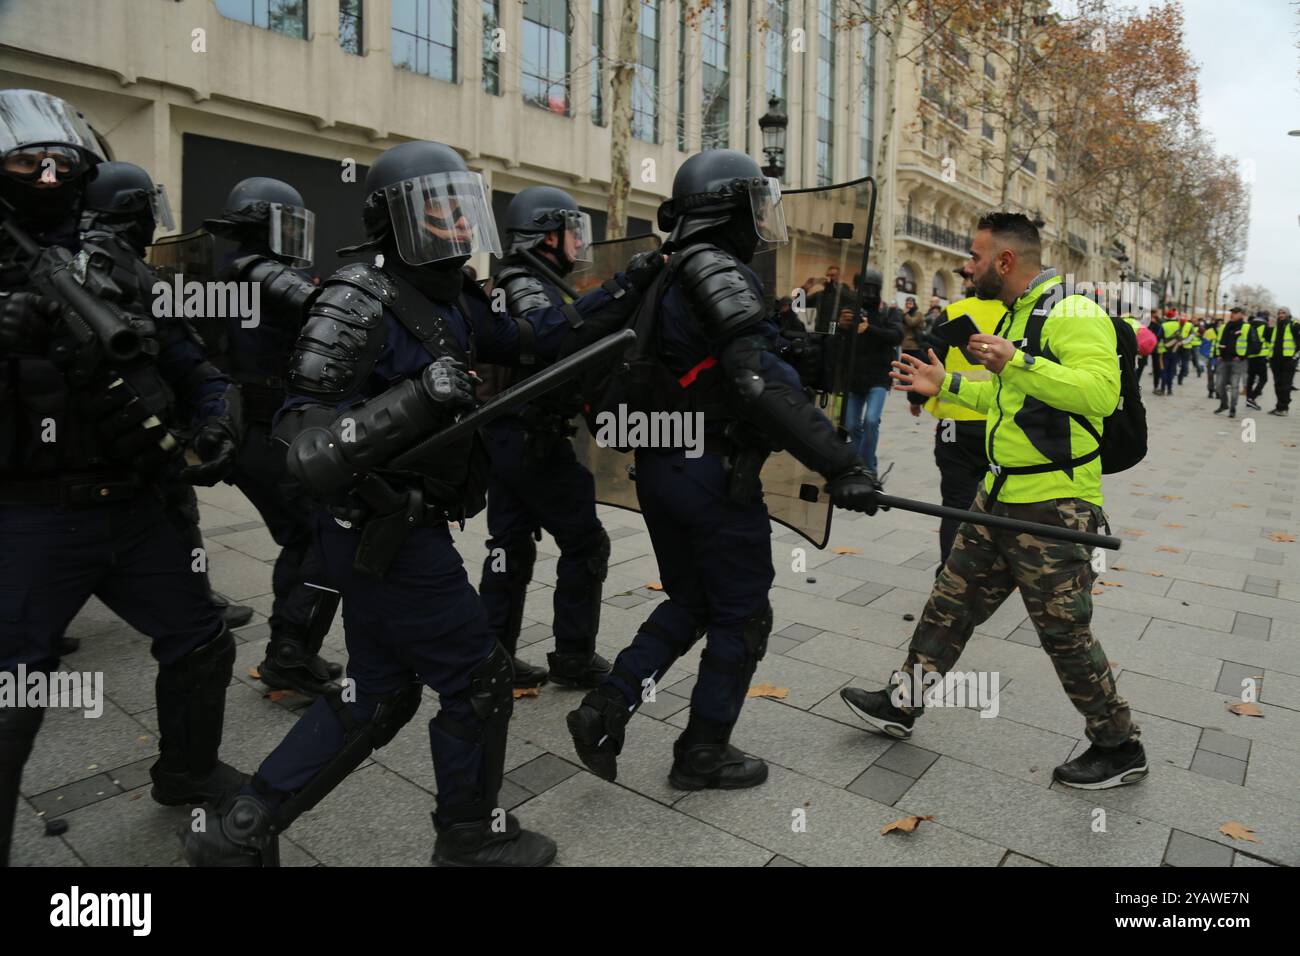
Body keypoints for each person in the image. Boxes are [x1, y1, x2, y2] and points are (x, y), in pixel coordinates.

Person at [181, 139, 662, 867]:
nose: (453, 222)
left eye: (458, 206)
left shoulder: (456, 296)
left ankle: (243, 830)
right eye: (434, 208)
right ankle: (468, 837)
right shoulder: (353, 297)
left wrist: (634, 280)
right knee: (478, 678)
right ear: (392, 217)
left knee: (378, 693)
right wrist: (414, 400)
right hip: (381, 528)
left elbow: (536, 337)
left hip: (408, 525)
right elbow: (305, 446)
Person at [566, 148, 882, 791]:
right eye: (754, 204)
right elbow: (755, 380)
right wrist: (843, 464)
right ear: (727, 208)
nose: (761, 218)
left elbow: (745, 358)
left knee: (694, 600)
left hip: (663, 466)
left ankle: (606, 708)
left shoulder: (670, 269)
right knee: (742, 614)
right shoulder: (716, 266)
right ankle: (703, 754)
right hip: (710, 474)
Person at [0, 89, 245, 865]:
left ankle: (188, 771)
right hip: (30, 515)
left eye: (60, 161)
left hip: (137, 504)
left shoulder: (115, 264)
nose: (46, 176)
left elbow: (188, 360)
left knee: (201, 641)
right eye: (24, 160)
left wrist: (217, 414)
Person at [839, 212, 1147, 790]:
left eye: (975, 257)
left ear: (1004, 262)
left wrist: (1017, 361)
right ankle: (900, 704)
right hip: (997, 496)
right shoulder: (1019, 314)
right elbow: (1015, 404)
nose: (966, 266)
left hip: (1055, 508)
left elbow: (1100, 395)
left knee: (1065, 634)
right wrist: (949, 386)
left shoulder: (1073, 312)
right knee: (949, 601)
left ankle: (1119, 745)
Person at [79, 161, 256, 632]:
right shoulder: (122, 268)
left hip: (79, 454)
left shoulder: (87, 259)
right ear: (130, 210)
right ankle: (196, 595)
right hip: (131, 439)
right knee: (178, 515)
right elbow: (186, 357)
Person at [202, 178, 344, 697]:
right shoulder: (262, 273)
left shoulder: (229, 274)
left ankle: (292, 649)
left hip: (252, 432)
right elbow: (330, 312)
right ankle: (289, 654)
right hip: (266, 431)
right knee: (318, 538)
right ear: (267, 226)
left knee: (303, 536)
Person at [476, 186, 613, 689]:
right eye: (571, 231)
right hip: (531, 437)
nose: (577, 242)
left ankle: (493, 657)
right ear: (546, 234)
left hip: (505, 434)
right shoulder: (527, 283)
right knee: (586, 543)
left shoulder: (508, 278)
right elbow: (550, 333)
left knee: (508, 546)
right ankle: (574, 656)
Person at [924, 281, 1005, 567]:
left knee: (956, 503)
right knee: (996, 504)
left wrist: (915, 397)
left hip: (955, 421)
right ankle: (986, 570)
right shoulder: (1017, 314)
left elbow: (930, 358)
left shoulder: (953, 311)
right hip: (1000, 424)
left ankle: (949, 571)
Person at [829, 269, 902, 471]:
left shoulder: (888, 311)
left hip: (878, 378)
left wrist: (870, 329)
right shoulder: (849, 311)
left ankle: (867, 470)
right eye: (864, 288)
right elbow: (834, 341)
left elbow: (897, 335)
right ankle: (863, 462)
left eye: (873, 288)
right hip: (853, 379)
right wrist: (841, 326)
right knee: (851, 425)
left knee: (871, 421)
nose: (868, 293)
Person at [1213, 307, 1249, 418]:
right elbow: (1218, 341)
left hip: (1237, 361)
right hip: (1223, 360)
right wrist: (1218, 355)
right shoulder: (1224, 326)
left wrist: (1242, 356)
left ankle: (1233, 408)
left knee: (1234, 386)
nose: (1232, 314)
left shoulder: (1246, 327)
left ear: (1241, 314)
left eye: (1235, 313)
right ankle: (1224, 404)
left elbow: (1253, 344)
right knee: (1219, 385)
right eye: (1231, 313)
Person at [800, 264, 851, 334]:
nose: (829, 278)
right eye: (827, 275)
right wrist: (805, 288)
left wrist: (834, 285)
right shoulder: (819, 295)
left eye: (832, 275)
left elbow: (851, 297)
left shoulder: (843, 294)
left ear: (839, 277)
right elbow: (799, 305)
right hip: (819, 332)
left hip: (837, 333)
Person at [1268, 307, 1296, 416]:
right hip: (1275, 360)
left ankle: (1284, 408)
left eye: (1283, 313)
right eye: (1279, 313)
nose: (1281, 315)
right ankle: (1279, 407)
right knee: (1278, 385)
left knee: (1285, 385)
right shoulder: (1277, 326)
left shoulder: (1294, 325)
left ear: (1288, 314)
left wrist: (1295, 357)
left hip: (1288, 360)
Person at [1244, 311, 1271, 411]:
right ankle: (1252, 398)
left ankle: (1248, 400)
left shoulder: (1249, 326)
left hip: (1250, 356)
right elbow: (1270, 342)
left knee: (1250, 379)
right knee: (1264, 379)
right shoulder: (1265, 327)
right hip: (1261, 356)